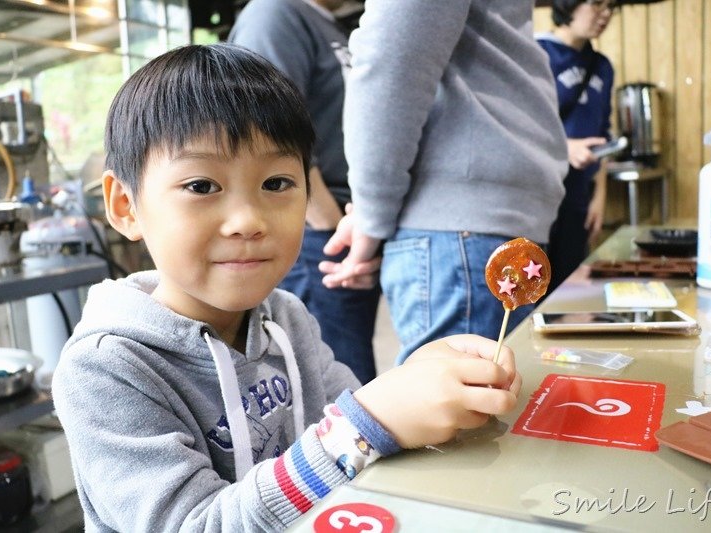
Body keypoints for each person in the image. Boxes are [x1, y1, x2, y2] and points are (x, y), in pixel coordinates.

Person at [51, 44, 522, 532]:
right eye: (201, 186)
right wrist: (365, 425)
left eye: (276, 183)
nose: (248, 221)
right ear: (126, 205)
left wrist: (418, 383)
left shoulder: (286, 317)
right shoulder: (106, 369)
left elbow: (358, 426)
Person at [320, 1, 569, 364]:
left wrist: (372, 215)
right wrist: (371, 214)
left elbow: (394, 55)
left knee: (485, 405)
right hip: (463, 231)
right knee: (467, 409)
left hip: (469, 229)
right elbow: (394, 57)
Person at [229, 0, 380, 384]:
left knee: (347, 373)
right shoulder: (275, 15)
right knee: (336, 391)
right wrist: (326, 223)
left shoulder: (329, 24)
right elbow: (264, 132)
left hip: (341, 225)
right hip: (316, 233)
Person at [537, 0, 616, 292]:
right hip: (540, 197)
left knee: (569, 291)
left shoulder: (602, 66)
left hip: (579, 196)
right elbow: (520, 126)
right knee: (534, 291)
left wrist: (600, 196)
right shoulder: (538, 53)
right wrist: (565, 147)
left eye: (611, 6)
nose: (605, 13)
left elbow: (604, 133)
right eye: (597, 3)